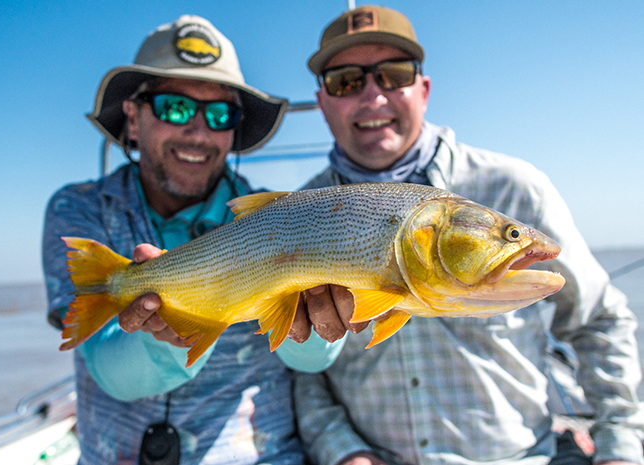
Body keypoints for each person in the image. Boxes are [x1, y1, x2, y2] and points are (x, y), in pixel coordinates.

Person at [293, 5, 644, 465]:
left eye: (394, 74)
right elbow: (298, 368)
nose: (374, 96)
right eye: (346, 81)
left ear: (424, 89)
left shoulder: (513, 188)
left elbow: (598, 319)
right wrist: (342, 451)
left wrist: (618, 448)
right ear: (322, 101)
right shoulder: (293, 215)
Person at [42, 15, 345, 465]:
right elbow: (110, 369)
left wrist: (322, 327)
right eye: (175, 107)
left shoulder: (277, 216)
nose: (199, 132)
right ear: (132, 114)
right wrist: (164, 337)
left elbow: (310, 362)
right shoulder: (80, 209)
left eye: (220, 114)